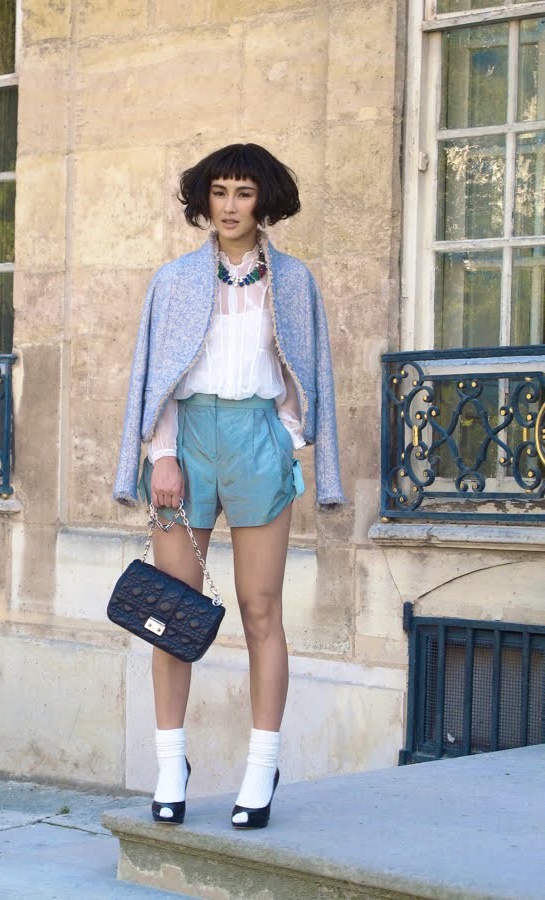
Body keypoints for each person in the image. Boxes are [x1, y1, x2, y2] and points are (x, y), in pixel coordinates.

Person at [114, 143, 345, 829]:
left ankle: (260, 767)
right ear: (203, 200)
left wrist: (286, 439)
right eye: (219, 192)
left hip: (256, 442)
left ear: (263, 199)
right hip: (185, 445)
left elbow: (309, 372)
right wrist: (160, 454)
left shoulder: (293, 280)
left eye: (243, 192)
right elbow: (157, 374)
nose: (230, 206)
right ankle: (170, 765)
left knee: (260, 608)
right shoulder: (175, 280)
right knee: (170, 611)